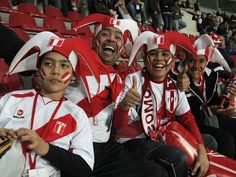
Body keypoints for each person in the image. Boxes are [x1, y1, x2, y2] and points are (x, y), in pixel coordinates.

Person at [67, 13, 168, 177]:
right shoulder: (75, 60)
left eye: (117, 37)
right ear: (95, 42)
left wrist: (124, 106)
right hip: (69, 144)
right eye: (105, 34)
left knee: (157, 173)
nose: (111, 39)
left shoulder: (118, 81)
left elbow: (118, 126)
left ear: (121, 49)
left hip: (101, 148)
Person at [112, 31, 213, 177]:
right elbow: (118, 126)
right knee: (177, 157)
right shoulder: (133, 80)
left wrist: (202, 149)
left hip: (162, 135)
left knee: (209, 142)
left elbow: (187, 119)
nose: (159, 59)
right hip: (134, 140)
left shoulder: (175, 84)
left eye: (165, 54)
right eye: (153, 54)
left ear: (172, 61)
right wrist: (124, 106)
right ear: (146, 60)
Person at [0, 31, 95, 177]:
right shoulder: (11, 99)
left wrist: (45, 148)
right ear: (38, 69)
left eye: (64, 66)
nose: (56, 71)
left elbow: (84, 167)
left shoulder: (77, 115)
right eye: (48, 64)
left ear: (74, 76)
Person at [185, 34, 236, 159]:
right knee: (225, 139)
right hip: (192, 123)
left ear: (207, 61)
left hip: (209, 117)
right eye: (192, 60)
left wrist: (227, 102)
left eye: (201, 61)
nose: (197, 66)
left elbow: (215, 102)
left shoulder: (211, 76)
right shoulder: (179, 80)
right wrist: (210, 111)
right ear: (185, 61)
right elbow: (184, 114)